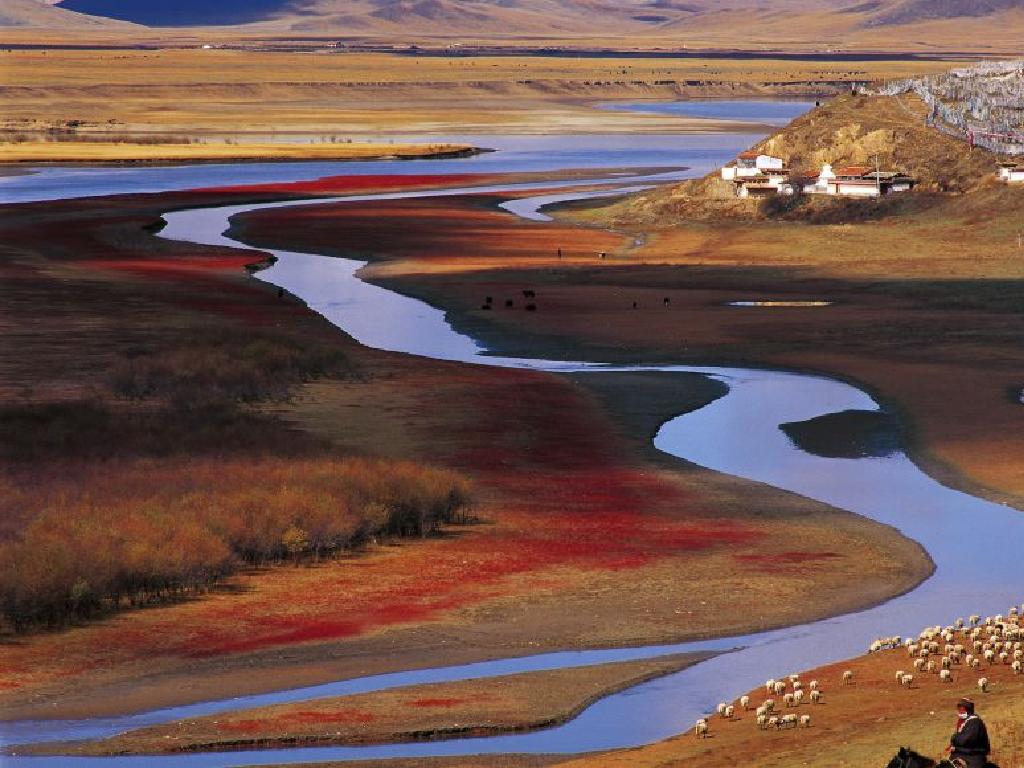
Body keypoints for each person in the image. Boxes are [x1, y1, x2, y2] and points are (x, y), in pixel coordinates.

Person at [945, 697, 990, 768]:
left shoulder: (975, 722)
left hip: (973, 757)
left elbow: (965, 740)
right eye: (959, 707)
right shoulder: (965, 721)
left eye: (962, 708)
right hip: (963, 754)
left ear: (968, 709)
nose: (959, 710)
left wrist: (954, 738)